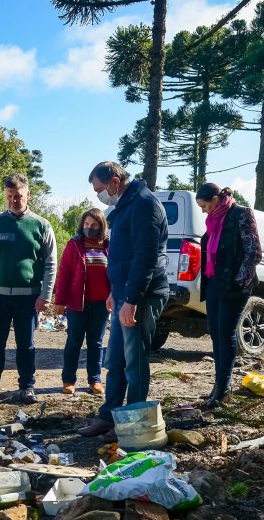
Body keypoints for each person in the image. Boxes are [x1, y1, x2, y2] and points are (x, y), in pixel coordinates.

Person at [79, 161, 168, 441]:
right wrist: (115, 292)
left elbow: (145, 257)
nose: (99, 196)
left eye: (100, 189)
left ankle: (132, 422)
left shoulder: (144, 204)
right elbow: (122, 256)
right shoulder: (124, 206)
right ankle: (109, 416)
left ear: (115, 181)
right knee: (115, 357)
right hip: (124, 293)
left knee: (134, 360)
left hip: (142, 295)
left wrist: (131, 299)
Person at [0, 174, 57, 405]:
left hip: (29, 298)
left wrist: (45, 295)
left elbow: (51, 263)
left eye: (18, 196)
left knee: (26, 345)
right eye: (9, 196)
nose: (13, 200)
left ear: (28, 195)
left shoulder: (42, 225)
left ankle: (27, 387)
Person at [195, 183, 262, 409]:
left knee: (226, 333)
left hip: (235, 285)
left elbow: (253, 252)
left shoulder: (241, 214)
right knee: (214, 333)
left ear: (215, 199)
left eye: (204, 206)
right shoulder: (213, 221)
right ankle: (218, 385)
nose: (203, 211)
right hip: (215, 283)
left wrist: (239, 282)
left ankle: (224, 387)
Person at [53, 207, 110, 396]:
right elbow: (64, 274)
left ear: (101, 226)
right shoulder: (74, 245)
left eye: (93, 225)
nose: (89, 227)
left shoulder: (108, 246)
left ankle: (95, 380)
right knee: (74, 341)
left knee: (96, 343)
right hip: (77, 304)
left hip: (101, 305)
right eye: (86, 224)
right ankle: (68, 380)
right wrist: (59, 301)